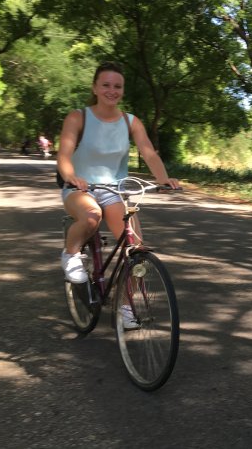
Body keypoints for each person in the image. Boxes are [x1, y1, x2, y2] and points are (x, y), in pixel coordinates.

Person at [57, 61, 180, 292]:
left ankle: (126, 306)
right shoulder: (78, 117)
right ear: (95, 88)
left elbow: (149, 153)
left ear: (123, 90)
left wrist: (163, 179)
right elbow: (63, 155)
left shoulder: (130, 122)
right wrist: (71, 176)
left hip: (114, 190)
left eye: (117, 86)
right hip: (80, 188)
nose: (111, 91)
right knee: (91, 216)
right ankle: (70, 254)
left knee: (136, 251)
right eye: (105, 85)